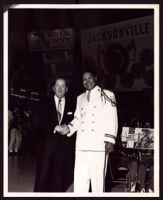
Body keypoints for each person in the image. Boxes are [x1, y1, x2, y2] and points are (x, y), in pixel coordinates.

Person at [55, 70, 118, 193]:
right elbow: (78, 119)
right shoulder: (80, 98)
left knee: (98, 183)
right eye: (84, 79)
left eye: (89, 78)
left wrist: (110, 140)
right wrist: (68, 128)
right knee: (80, 180)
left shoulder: (106, 95)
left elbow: (112, 118)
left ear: (95, 78)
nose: (87, 81)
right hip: (82, 146)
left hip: (98, 146)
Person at [34, 78, 76, 192]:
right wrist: (54, 127)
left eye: (63, 86)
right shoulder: (43, 103)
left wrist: (69, 127)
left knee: (60, 183)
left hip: (64, 150)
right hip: (46, 148)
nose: (60, 88)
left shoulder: (73, 105)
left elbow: (77, 121)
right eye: (57, 85)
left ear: (66, 89)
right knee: (42, 181)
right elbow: (37, 120)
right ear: (53, 88)